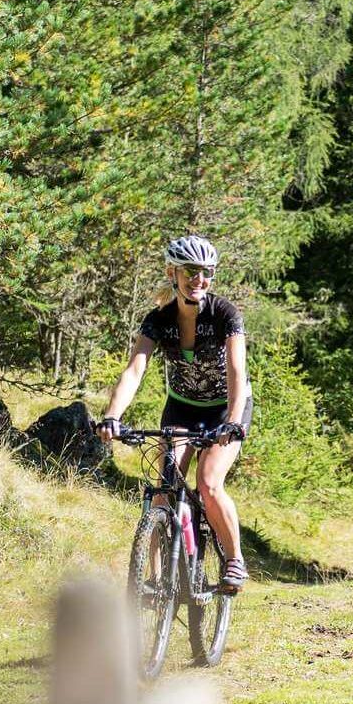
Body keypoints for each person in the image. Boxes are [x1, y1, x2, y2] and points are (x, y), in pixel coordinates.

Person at [95, 235, 251, 593]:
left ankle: (234, 559)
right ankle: (152, 579)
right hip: (181, 406)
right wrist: (112, 416)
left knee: (209, 483)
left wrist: (232, 420)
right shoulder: (158, 320)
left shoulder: (225, 314)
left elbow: (237, 372)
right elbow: (135, 369)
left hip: (227, 408)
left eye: (206, 273)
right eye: (191, 272)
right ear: (173, 273)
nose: (199, 280)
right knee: (164, 490)